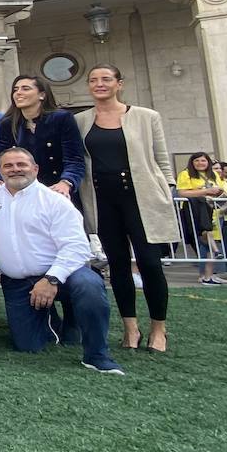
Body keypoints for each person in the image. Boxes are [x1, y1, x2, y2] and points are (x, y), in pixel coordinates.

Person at [0, 148, 124, 375]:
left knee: (88, 285)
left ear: (35, 168)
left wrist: (52, 278)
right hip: (18, 282)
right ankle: (51, 318)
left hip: (62, 276)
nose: (15, 169)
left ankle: (96, 353)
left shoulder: (54, 201)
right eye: (8, 166)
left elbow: (77, 246)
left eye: (21, 164)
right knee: (28, 346)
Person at [75, 64, 178, 352]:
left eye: (106, 79)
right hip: (103, 197)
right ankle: (130, 327)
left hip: (140, 196)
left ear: (119, 83)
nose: (99, 84)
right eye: (93, 80)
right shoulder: (82, 120)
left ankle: (159, 328)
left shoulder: (146, 117)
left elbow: (162, 159)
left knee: (149, 262)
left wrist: (167, 190)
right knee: (117, 264)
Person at [0, 75, 84, 205]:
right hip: (22, 191)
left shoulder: (62, 119)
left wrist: (66, 183)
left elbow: (74, 159)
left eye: (25, 88)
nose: (18, 93)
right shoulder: (8, 124)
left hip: (58, 190)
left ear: (42, 95)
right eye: (15, 89)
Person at [177, 152, 227, 285]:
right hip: (193, 210)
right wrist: (205, 191)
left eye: (203, 160)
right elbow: (182, 192)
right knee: (205, 238)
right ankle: (206, 273)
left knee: (211, 239)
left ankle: (209, 275)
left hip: (213, 211)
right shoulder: (185, 174)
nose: (200, 163)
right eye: (197, 160)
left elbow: (219, 191)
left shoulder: (213, 175)